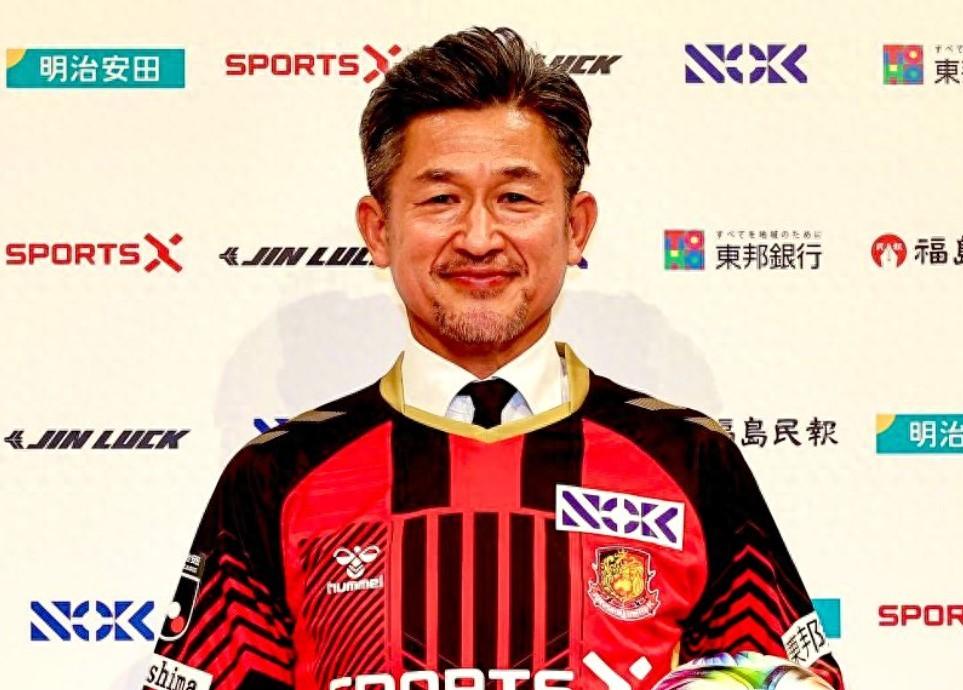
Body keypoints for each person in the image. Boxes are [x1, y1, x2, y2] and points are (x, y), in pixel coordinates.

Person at [142, 27, 844, 690]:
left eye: (515, 198)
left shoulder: (690, 461)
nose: (479, 238)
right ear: (378, 230)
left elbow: (781, 679)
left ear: (575, 227)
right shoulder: (277, 477)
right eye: (440, 198)